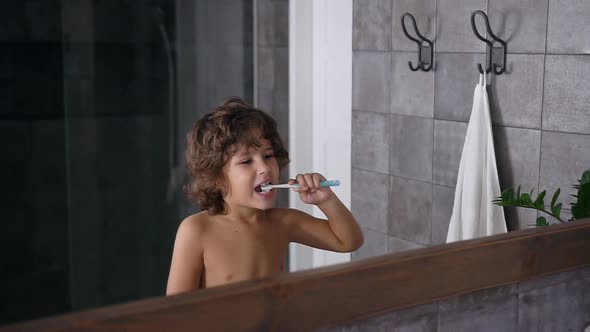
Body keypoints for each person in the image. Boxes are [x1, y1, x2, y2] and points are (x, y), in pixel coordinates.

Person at [166, 97, 364, 295]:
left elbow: (348, 242)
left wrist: (326, 200)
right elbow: (175, 310)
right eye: (246, 161)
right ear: (215, 177)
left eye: (268, 156)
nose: (264, 168)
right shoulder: (197, 231)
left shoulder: (284, 222)